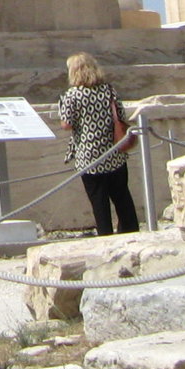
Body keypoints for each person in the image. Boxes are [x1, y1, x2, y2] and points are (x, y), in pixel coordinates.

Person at [56, 52, 140, 237]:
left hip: (89, 156)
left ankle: (105, 235)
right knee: (122, 196)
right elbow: (121, 115)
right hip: (114, 151)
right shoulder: (108, 90)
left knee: (99, 202)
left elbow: (66, 125)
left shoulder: (73, 95)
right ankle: (132, 232)